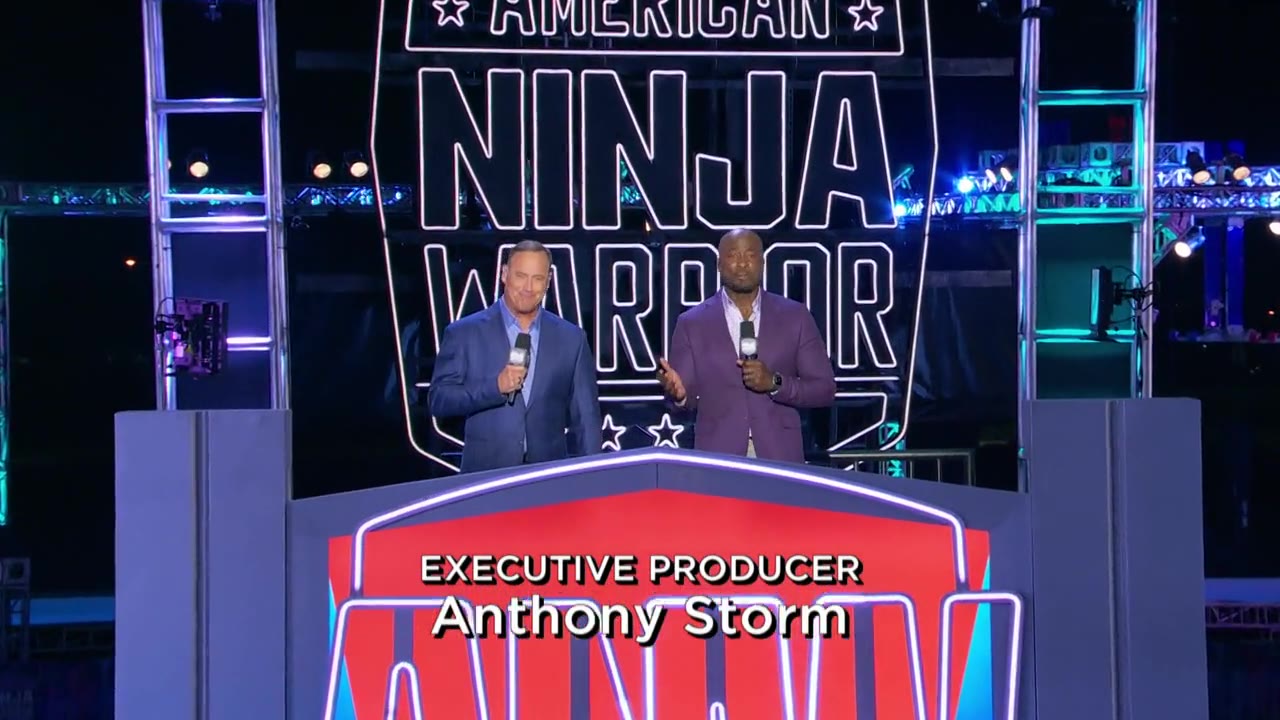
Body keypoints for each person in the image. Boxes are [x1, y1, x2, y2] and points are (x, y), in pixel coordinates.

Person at [658, 229, 836, 463]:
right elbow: (683, 397)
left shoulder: (795, 317)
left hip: (780, 458)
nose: (742, 264)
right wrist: (679, 395)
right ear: (719, 264)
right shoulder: (692, 323)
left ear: (762, 263)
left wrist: (775, 383)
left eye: (750, 255)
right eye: (733, 255)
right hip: (719, 460)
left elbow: (824, 389)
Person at [429, 240, 603, 472]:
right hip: (486, 477)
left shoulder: (572, 339)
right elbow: (439, 400)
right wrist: (495, 388)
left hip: (547, 479)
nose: (528, 287)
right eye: (521, 276)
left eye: (537, 278)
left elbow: (586, 420)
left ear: (548, 281)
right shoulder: (464, 333)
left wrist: (593, 479)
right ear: (504, 274)